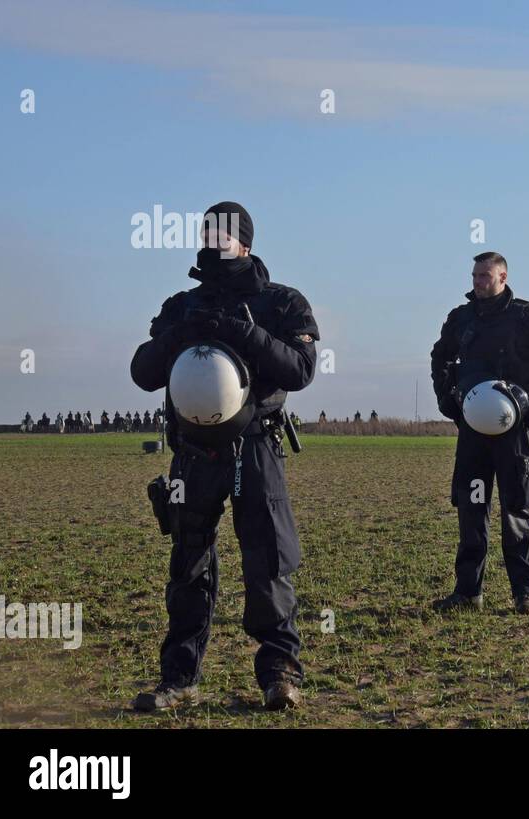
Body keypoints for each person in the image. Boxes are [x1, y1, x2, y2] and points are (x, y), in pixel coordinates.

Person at [129, 201, 320, 712]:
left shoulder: (282, 303)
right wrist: (181, 334)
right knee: (188, 564)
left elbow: (300, 371)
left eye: (225, 233)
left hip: (255, 446)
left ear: (247, 242)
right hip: (193, 451)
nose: (215, 239)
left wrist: (243, 332)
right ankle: (179, 679)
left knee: (268, 562)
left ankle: (279, 674)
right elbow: (143, 371)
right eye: (208, 231)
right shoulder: (181, 306)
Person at [429, 251, 529, 614]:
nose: (477, 282)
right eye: (474, 275)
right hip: (473, 438)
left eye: (484, 276)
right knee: (472, 509)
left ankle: (524, 595)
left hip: (514, 438)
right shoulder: (461, 319)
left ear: (503, 277)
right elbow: (440, 357)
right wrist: (446, 399)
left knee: (516, 512)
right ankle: (468, 594)